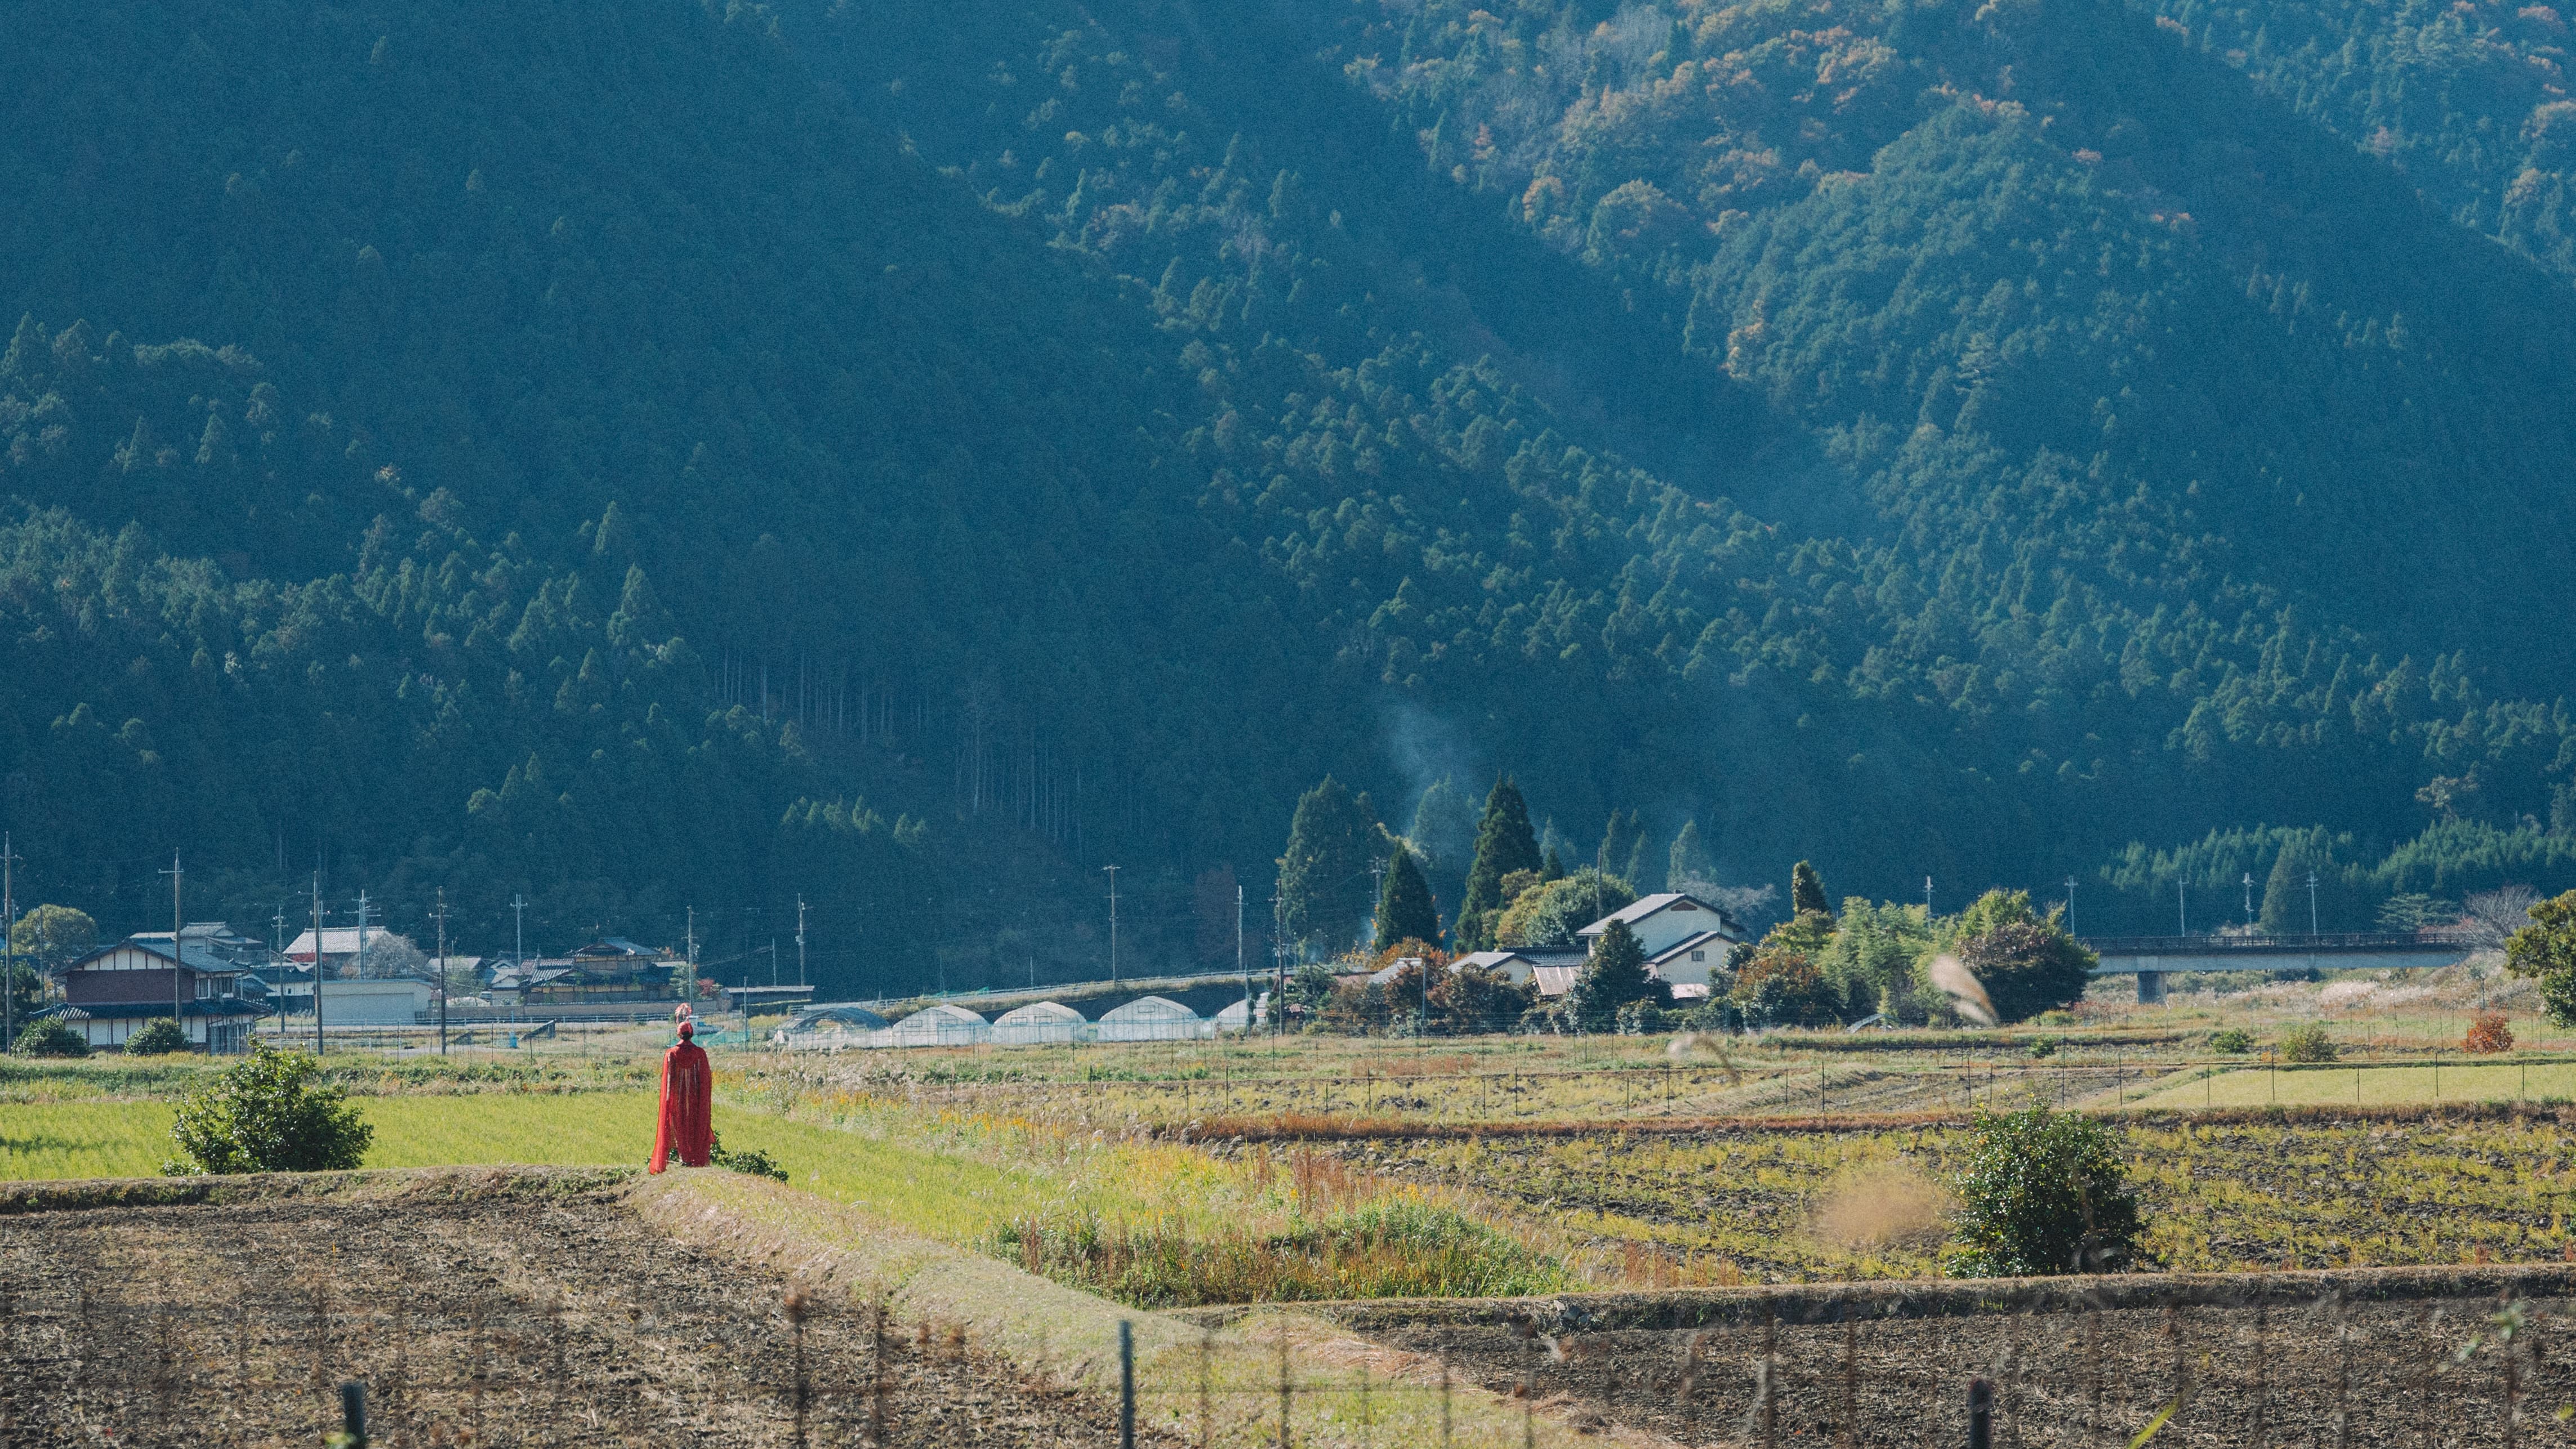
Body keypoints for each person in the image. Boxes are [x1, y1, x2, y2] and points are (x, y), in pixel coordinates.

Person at [649, 1018, 713, 1172]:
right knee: (694, 1125)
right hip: (696, 1099)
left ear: (679, 1034)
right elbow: (705, 1080)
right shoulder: (700, 1053)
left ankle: (684, 1157)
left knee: (679, 1126)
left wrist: (669, 1100)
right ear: (692, 1034)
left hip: (677, 1100)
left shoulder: (671, 1054)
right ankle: (694, 1157)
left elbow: (670, 1079)